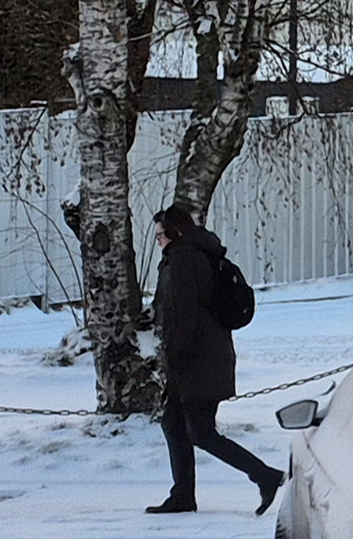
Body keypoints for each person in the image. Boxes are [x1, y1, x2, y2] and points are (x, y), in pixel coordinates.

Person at [148, 206, 279, 515]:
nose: (159, 242)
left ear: (174, 234)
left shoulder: (181, 259)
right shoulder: (202, 253)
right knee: (174, 424)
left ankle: (265, 476)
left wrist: (174, 354)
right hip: (208, 354)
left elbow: (182, 313)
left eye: (160, 236)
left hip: (195, 359)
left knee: (201, 431)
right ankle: (182, 496)